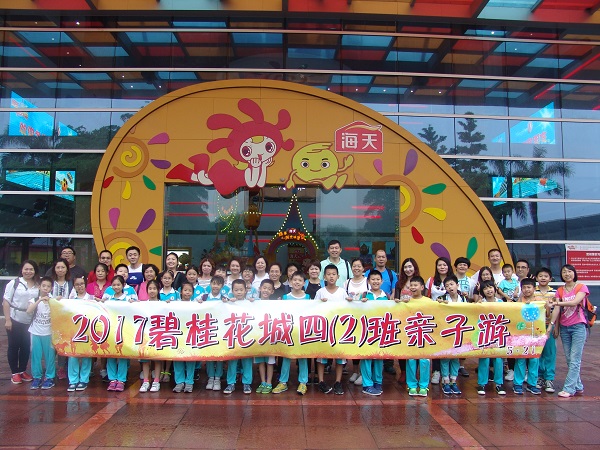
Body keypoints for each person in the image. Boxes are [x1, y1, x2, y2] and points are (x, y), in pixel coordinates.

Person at [551, 264, 590, 398]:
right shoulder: (560, 290)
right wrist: (554, 326)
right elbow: (557, 310)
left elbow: (574, 302)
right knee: (569, 359)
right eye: (564, 272)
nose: (567, 274)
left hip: (578, 326)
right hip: (564, 327)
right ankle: (578, 386)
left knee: (575, 359)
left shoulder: (581, 287)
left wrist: (557, 303)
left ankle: (569, 389)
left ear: (574, 273)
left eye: (569, 271)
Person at [273, 271, 311, 395]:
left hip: (302, 332)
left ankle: (303, 382)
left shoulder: (308, 297)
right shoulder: (285, 297)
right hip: (288, 331)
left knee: (303, 357)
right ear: (290, 282)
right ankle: (283, 382)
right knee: (286, 356)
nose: (297, 282)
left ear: (304, 283)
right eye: (295, 280)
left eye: (300, 280)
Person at [3, 260, 39, 384]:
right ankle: (15, 373)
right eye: (26, 269)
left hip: (31, 321)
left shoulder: (38, 284)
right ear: (22, 270)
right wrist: (8, 320)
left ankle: (22, 370)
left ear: (35, 271)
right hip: (15, 318)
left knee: (26, 346)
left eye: (31, 269)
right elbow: (6, 302)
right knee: (14, 346)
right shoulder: (14, 283)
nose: (28, 272)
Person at [315, 264, 348, 395]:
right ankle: (321, 381)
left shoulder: (342, 292)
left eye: (333, 274)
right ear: (324, 277)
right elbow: (314, 309)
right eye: (328, 274)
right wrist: (319, 303)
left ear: (338, 276)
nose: (331, 276)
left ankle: (338, 381)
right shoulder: (320, 292)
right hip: (324, 329)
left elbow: (348, 309)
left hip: (339, 329)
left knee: (339, 355)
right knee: (322, 356)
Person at [357, 270, 389, 396]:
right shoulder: (364, 295)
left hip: (381, 330)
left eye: (378, 279)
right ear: (368, 281)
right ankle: (367, 384)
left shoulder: (386, 296)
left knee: (379, 356)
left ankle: (378, 382)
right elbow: (354, 310)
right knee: (366, 357)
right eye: (373, 279)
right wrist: (360, 303)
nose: (375, 281)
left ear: (382, 281)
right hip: (366, 331)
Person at [101, 275, 135, 391]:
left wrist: (133, 303)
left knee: (122, 355)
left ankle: (121, 379)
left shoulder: (127, 299)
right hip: (111, 331)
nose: (116, 287)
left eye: (118, 285)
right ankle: (112, 379)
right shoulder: (108, 300)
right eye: (114, 285)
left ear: (123, 285)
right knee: (111, 354)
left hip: (124, 331)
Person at [425, 257, 453, 384]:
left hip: (450, 318)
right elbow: (426, 297)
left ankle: (449, 373)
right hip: (435, 317)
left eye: (444, 265)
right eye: (439, 265)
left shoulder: (453, 280)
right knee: (436, 344)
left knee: (449, 344)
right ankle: (436, 371)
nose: (442, 267)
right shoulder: (431, 281)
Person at [476, 280, 506, 396]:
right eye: (485, 288)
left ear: (495, 288)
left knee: (498, 359)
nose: (488, 290)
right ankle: (481, 383)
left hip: (498, 334)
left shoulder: (501, 303)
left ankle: (499, 383)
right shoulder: (480, 303)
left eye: (490, 287)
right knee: (484, 358)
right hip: (484, 334)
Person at [393, 257, 421, 382]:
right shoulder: (399, 283)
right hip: (402, 319)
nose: (408, 269)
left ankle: (414, 372)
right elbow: (396, 299)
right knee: (402, 346)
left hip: (416, 319)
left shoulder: (419, 282)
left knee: (416, 346)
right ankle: (403, 372)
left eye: (410, 267)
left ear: (414, 268)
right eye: (405, 267)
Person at [223, 280, 253, 394]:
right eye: (236, 290)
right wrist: (226, 302)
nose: (239, 292)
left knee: (247, 360)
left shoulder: (250, 302)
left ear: (246, 290)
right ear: (232, 291)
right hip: (233, 336)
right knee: (232, 361)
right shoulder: (229, 303)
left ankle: (247, 383)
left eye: (241, 290)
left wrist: (253, 301)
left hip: (247, 336)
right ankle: (231, 383)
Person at [437, 275, 465, 395]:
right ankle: (446, 381)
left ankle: (454, 381)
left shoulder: (463, 299)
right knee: (446, 357)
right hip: (446, 332)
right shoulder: (441, 298)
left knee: (455, 358)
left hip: (459, 332)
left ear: (457, 285)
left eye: (451, 284)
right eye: (447, 285)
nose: (449, 287)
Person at [404, 276, 432, 397]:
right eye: (411, 285)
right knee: (411, 360)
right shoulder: (407, 301)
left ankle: (424, 386)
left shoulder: (429, 302)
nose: (413, 287)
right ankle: (412, 385)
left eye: (416, 285)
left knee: (424, 360)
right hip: (411, 335)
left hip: (425, 335)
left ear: (422, 287)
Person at [512, 278, 541, 395]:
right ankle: (517, 384)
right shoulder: (519, 301)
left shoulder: (539, 301)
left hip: (535, 335)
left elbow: (546, 314)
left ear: (534, 288)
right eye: (524, 287)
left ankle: (532, 384)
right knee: (521, 358)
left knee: (534, 359)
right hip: (521, 335)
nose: (526, 290)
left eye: (529, 287)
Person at [199, 275, 228, 391]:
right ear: (210, 284)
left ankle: (217, 378)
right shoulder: (204, 297)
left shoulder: (224, 298)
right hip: (208, 331)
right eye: (214, 283)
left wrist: (228, 302)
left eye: (218, 284)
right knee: (210, 355)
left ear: (222, 286)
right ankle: (211, 377)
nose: (215, 286)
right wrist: (199, 303)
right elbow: (194, 306)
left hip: (220, 331)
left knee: (219, 355)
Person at [27, 276, 56, 390]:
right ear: (39, 286)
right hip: (35, 332)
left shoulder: (53, 301)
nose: (45, 288)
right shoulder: (34, 300)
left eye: (48, 286)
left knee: (50, 356)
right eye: (43, 286)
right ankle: (37, 377)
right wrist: (39, 300)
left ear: (51, 288)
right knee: (36, 355)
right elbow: (29, 310)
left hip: (49, 333)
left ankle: (49, 377)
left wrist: (54, 301)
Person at [344, 258, 369, 386]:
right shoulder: (347, 283)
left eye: (359, 266)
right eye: (354, 266)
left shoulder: (368, 281)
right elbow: (342, 299)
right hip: (352, 318)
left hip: (366, 318)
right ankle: (355, 371)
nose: (356, 268)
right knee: (354, 345)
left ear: (363, 268)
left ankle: (364, 373)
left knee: (364, 345)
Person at [67, 276, 94, 392]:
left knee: (86, 356)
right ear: (74, 286)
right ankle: (73, 380)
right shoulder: (70, 300)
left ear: (85, 284)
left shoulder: (92, 299)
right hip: (74, 332)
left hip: (88, 331)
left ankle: (84, 379)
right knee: (73, 356)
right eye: (77, 284)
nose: (80, 286)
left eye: (82, 284)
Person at [535, 267, 557, 393]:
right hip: (536, 327)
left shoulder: (554, 293)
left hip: (549, 326)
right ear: (536, 278)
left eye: (546, 276)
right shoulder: (533, 292)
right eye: (540, 276)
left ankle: (549, 379)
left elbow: (558, 311)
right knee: (538, 353)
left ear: (550, 278)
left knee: (550, 353)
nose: (543, 278)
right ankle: (539, 377)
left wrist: (556, 327)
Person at [172, 281, 196, 393]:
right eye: (185, 290)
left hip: (191, 335)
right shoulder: (175, 304)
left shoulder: (196, 304)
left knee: (190, 358)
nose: (187, 292)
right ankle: (179, 382)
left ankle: (189, 382)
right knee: (178, 358)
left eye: (190, 291)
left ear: (193, 293)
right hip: (178, 335)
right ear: (180, 292)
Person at [139, 280, 163, 393]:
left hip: (158, 335)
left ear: (158, 290)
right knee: (145, 359)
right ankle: (146, 381)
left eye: (154, 288)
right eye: (150, 289)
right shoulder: (142, 304)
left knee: (157, 359)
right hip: (146, 335)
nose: (152, 291)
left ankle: (156, 381)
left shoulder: (163, 304)